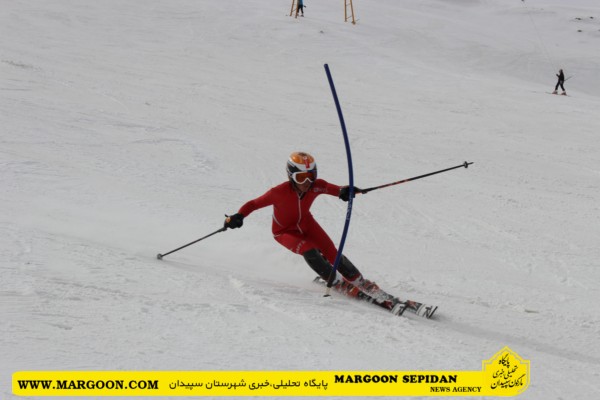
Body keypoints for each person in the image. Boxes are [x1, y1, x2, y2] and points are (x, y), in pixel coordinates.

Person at [224, 151, 383, 300]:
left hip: (307, 224)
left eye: (311, 176)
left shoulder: (316, 185)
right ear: (291, 176)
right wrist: (239, 216)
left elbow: (335, 189)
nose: (307, 182)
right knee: (309, 249)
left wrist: (345, 191)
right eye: (301, 178)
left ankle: (359, 281)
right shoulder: (278, 192)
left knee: (332, 252)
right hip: (284, 231)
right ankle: (336, 282)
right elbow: (253, 204)